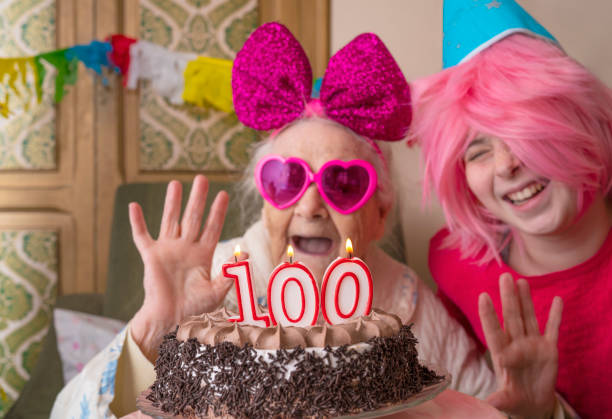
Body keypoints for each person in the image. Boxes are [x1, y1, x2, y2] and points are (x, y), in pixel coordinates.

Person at [51, 23, 559, 419]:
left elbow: (485, 405)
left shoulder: (412, 306)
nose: (311, 207)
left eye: (341, 184)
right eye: (287, 180)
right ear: (265, 200)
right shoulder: (205, 286)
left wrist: (541, 411)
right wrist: (152, 330)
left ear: (380, 215)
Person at [409, 1, 611, 417]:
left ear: (584, 125)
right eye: (478, 151)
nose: (506, 165)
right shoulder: (456, 265)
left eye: (522, 134)